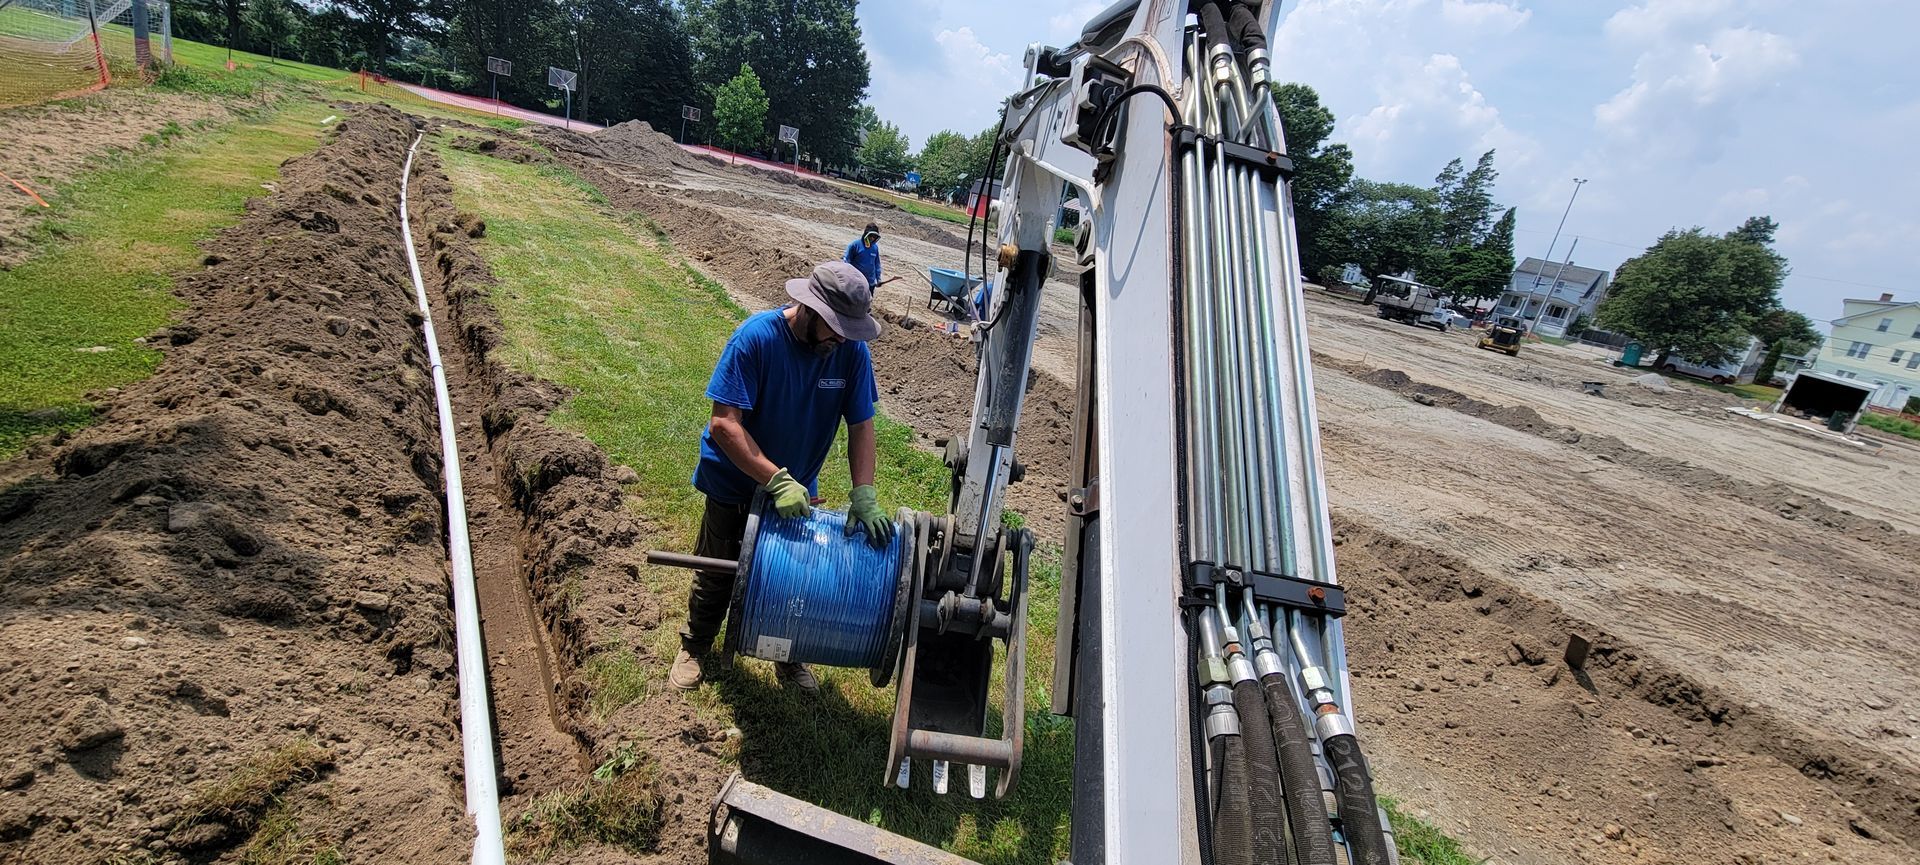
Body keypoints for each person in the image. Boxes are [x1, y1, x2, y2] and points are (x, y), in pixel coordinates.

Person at [670, 260, 896, 693]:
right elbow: (724, 425)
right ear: (808, 309)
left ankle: (787, 656)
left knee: (797, 579)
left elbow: (862, 425)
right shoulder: (756, 338)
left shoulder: (849, 351)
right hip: (735, 481)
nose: (841, 338)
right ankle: (695, 646)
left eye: (848, 329)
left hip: (796, 492)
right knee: (719, 569)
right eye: (834, 327)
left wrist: (864, 492)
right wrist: (773, 479)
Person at [844, 222, 882, 289]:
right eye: (871, 236)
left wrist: (878, 279)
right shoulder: (855, 245)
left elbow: (877, 264)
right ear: (866, 234)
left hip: (869, 283)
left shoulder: (875, 248)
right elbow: (846, 262)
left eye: (874, 237)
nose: (872, 238)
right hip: (856, 282)